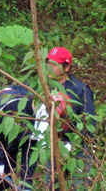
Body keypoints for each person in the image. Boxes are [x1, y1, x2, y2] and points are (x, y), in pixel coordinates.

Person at [39, 47, 96, 190]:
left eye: (55, 64)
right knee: (53, 185)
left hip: (78, 148)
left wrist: (75, 144)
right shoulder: (46, 87)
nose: (50, 68)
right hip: (55, 145)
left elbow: (89, 123)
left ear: (66, 67)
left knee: (78, 185)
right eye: (49, 64)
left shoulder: (80, 90)